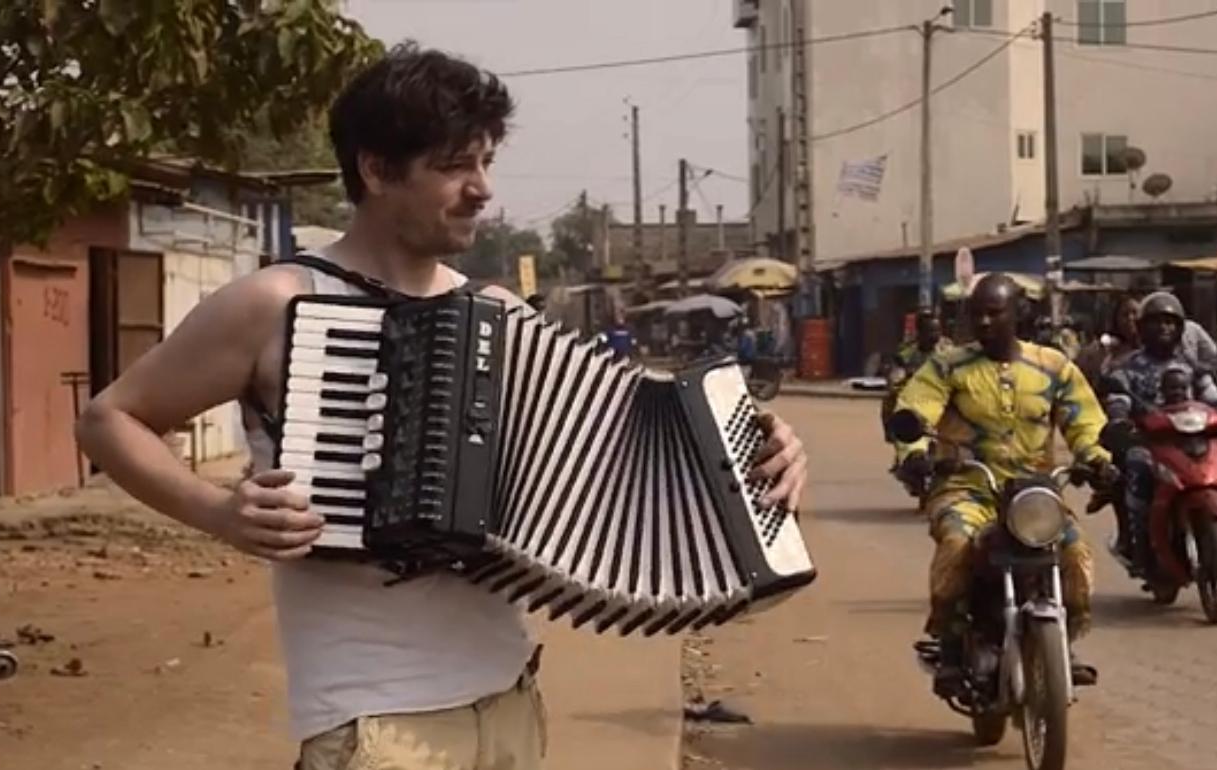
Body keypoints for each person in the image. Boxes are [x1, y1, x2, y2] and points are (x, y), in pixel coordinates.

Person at [74, 45, 811, 770]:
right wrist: (220, 514)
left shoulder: (497, 313)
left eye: (486, 162)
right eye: (455, 165)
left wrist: (754, 456)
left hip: (508, 703)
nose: (482, 188)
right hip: (375, 719)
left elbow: (620, 454)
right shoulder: (281, 302)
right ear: (375, 168)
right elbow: (109, 419)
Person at [892, 274, 1113, 694]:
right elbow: (917, 410)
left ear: (1020, 313)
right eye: (977, 315)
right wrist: (916, 453)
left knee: (1075, 553)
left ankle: (1061, 645)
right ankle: (952, 642)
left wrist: (1097, 459)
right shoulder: (947, 366)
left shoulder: (1054, 367)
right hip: (967, 486)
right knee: (957, 543)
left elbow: (1085, 422)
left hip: (1034, 494)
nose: (985, 322)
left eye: (995, 313)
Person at [1103, 292, 1217, 570]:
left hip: (1192, 438)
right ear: (1142, 328)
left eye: (1170, 323)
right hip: (1149, 442)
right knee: (1136, 465)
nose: (1164, 328)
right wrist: (1120, 419)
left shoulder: (1192, 366)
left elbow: (1212, 397)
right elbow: (1118, 401)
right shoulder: (1127, 368)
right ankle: (1139, 543)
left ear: (1180, 328)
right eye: (1156, 322)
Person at [882, 312, 948, 471]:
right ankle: (900, 449)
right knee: (890, 402)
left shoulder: (949, 350)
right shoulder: (906, 353)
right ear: (920, 333)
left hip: (942, 397)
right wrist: (902, 379)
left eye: (937, 331)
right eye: (930, 331)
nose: (935, 336)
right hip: (915, 398)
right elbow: (895, 378)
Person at [1075, 296, 1141, 387]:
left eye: (1135, 313)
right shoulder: (1108, 344)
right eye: (1125, 314)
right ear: (1116, 319)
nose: (1130, 318)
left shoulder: (1151, 346)